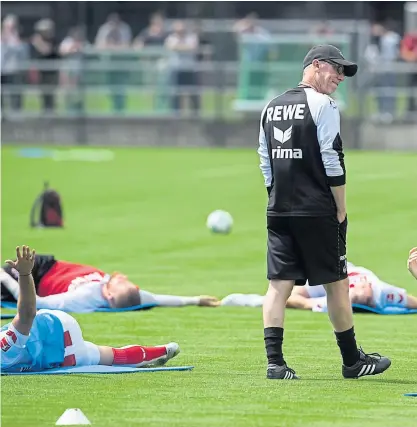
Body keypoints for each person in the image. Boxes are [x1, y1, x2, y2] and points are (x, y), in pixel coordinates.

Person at [257, 44, 391, 380]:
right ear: (316, 65)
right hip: (316, 210)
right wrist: (341, 208)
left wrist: (275, 198)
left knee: (278, 284)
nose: (341, 77)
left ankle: (275, 363)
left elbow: (265, 161)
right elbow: (333, 159)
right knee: (336, 283)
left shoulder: (270, 107)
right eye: (337, 69)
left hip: (278, 210)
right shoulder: (325, 105)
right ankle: (352, 361)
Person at [1, 246, 180, 373]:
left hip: (59, 351)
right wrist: (24, 274)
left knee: (109, 356)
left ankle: (159, 351)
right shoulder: (4, 350)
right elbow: (27, 312)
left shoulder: (6, 354)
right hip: (59, 330)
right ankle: (160, 351)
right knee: (108, 356)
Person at [0, 252, 219, 312]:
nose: (121, 276)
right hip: (52, 264)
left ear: (109, 295)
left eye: (120, 282)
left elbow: (34, 303)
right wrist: (196, 300)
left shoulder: (84, 298)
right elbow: (160, 299)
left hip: (37, 275)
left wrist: (6, 277)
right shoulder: (130, 294)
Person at [221, 261, 417, 311]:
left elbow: (413, 303)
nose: (362, 296)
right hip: (330, 274)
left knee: (288, 301)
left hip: (333, 278)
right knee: (283, 296)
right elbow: (291, 297)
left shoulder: (383, 293)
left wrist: (312, 304)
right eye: (360, 297)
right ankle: (254, 301)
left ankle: (252, 302)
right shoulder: (379, 293)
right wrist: (312, 303)